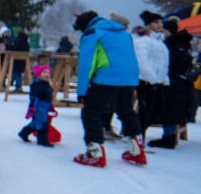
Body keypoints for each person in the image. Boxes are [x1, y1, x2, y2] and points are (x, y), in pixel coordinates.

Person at [71, 10, 145, 167]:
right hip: (129, 78)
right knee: (126, 110)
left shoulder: (92, 33)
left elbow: (86, 64)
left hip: (107, 77)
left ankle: (95, 152)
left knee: (91, 111)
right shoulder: (124, 34)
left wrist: (82, 91)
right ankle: (137, 150)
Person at [151, 22, 194, 148]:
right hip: (181, 83)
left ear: (168, 31)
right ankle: (169, 136)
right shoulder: (183, 44)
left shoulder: (172, 45)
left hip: (173, 83)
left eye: (164, 30)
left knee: (169, 109)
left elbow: (171, 64)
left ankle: (168, 137)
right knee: (172, 109)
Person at [134, 10, 169, 143]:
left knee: (157, 111)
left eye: (161, 22)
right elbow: (142, 62)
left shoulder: (160, 41)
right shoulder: (144, 41)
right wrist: (152, 79)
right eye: (156, 22)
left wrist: (164, 79)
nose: (160, 25)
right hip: (146, 82)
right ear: (149, 24)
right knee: (146, 112)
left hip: (158, 82)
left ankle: (137, 134)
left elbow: (163, 63)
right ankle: (137, 138)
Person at [18, 65, 56, 147]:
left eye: (49, 72)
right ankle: (42, 141)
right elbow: (34, 99)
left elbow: (49, 98)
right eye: (44, 72)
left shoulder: (46, 85)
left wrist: (51, 107)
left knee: (35, 124)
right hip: (39, 109)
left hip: (44, 108)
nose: (47, 74)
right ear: (38, 75)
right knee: (42, 124)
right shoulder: (37, 86)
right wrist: (31, 109)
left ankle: (23, 133)